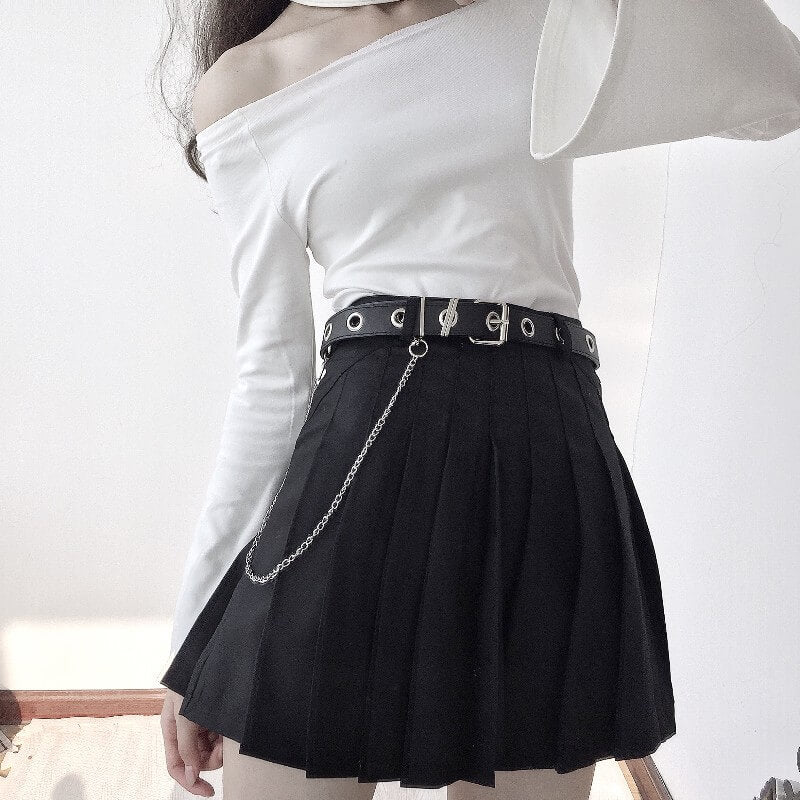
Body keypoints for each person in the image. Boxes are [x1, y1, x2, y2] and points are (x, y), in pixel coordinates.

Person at [154, 0, 800, 796]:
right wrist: (194, 639)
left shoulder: (550, 17)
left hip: (549, 447)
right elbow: (271, 376)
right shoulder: (250, 79)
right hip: (362, 452)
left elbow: (779, 90)